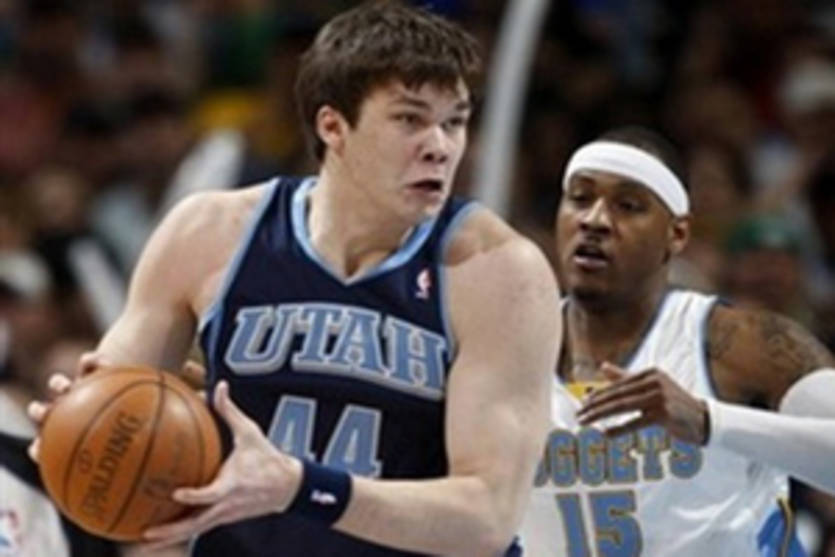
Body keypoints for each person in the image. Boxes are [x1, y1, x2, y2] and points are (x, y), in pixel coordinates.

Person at [29, 2, 561, 556]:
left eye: (454, 121)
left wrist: (302, 487)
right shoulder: (209, 235)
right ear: (333, 126)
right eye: (410, 119)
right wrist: (74, 426)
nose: (440, 146)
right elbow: (117, 403)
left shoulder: (500, 273)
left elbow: (487, 516)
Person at [519, 126, 835, 556]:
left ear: (677, 234)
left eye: (628, 206)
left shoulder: (737, 343)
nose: (594, 220)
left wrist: (710, 422)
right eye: (579, 197)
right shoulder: (506, 349)